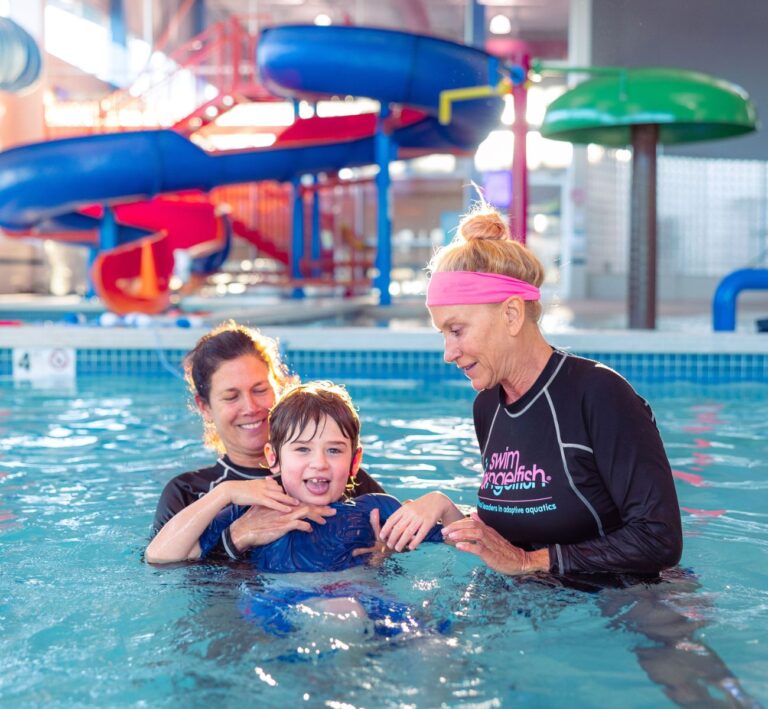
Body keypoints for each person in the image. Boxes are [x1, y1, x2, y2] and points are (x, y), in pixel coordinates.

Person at [378, 204, 683, 577]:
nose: (448, 354)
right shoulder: (488, 407)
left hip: (629, 601)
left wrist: (529, 563)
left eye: (456, 330)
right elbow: (514, 532)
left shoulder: (599, 394)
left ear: (511, 315)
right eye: (442, 334)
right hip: (546, 604)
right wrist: (446, 509)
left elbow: (658, 538)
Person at [145, 381, 442, 570]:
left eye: (334, 451)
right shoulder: (252, 512)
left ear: (355, 462)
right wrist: (223, 493)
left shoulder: (374, 511)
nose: (319, 463)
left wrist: (438, 502)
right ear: (273, 458)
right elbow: (158, 555)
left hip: (365, 600)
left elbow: (460, 536)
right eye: (302, 450)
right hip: (281, 611)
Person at [151, 321, 384, 552]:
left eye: (260, 390)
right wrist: (236, 530)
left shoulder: (339, 478)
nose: (250, 407)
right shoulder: (188, 493)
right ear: (205, 408)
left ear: (279, 388)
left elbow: (399, 546)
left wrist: (380, 557)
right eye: (231, 397)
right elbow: (161, 568)